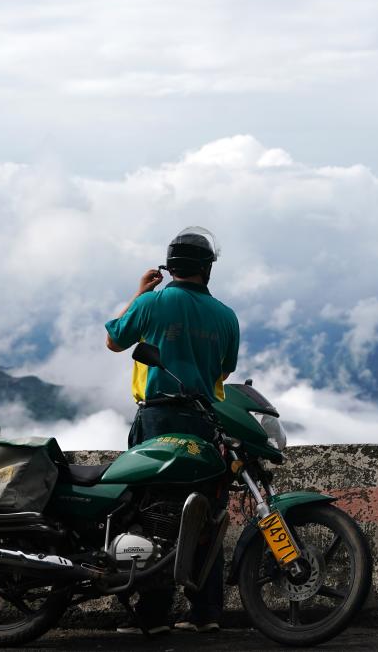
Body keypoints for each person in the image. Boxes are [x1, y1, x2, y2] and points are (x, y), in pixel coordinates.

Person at [104, 226, 240, 635]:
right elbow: (225, 370)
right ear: (206, 269)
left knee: (149, 514)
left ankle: (153, 614)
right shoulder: (227, 317)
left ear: (172, 266)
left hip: (158, 419)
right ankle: (206, 612)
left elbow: (114, 339)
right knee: (205, 513)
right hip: (204, 420)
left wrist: (140, 293)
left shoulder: (154, 302)